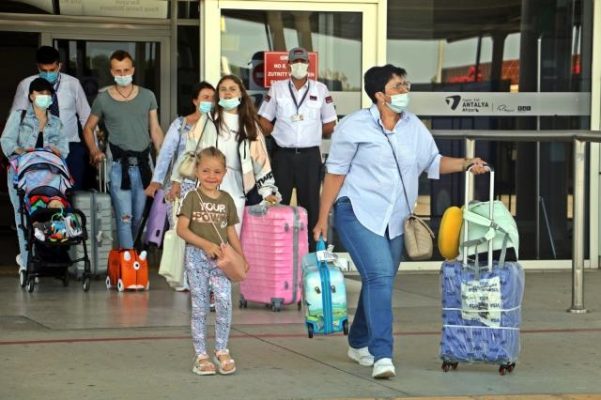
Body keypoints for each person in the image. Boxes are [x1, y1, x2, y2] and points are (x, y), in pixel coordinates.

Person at [312, 64, 487, 379]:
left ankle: (358, 341)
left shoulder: (413, 126)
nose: (405, 90)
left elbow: (433, 162)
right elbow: (335, 174)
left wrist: (466, 163)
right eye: (398, 86)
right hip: (357, 211)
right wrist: (323, 218)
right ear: (380, 95)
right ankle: (383, 355)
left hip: (396, 218)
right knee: (380, 276)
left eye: (407, 84)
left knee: (379, 280)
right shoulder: (353, 126)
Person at [171, 74, 279, 234]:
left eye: (232, 89)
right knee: (206, 238)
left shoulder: (250, 125)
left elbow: (261, 161)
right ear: (218, 95)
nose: (227, 92)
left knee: (232, 238)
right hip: (207, 186)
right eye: (223, 89)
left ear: (241, 94)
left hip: (237, 190)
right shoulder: (207, 120)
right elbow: (190, 150)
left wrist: (267, 191)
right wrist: (176, 181)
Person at [82, 49, 164, 249]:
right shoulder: (103, 99)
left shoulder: (147, 96)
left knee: (138, 216)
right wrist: (94, 151)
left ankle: (127, 255)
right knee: (124, 217)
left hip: (144, 165)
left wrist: (162, 158)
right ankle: (128, 260)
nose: (122, 74)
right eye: (118, 71)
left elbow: (155, 129)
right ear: (112, 72)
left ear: (133, 70)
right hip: (118, 167)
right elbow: (88, 128)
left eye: (126, 70)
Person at [258, 47, 337, 250]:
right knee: (277, 203)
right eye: (295, 61)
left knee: (311, 206)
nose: (299, 64)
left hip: (310, 156)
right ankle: (277, 249)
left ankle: (312, 251)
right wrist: (279, 133)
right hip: (283, 156)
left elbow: (330, 124)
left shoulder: (320, 89)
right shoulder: (277, 89)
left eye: (303, 61)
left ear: (308, 64)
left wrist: (311, 134)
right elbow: (263, 120)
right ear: (288, 65)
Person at [176, 146, 246, 376]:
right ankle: (201, 355)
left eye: (217, 171)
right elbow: (182, 229)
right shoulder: (192, 198)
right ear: (197, 171)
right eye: (205, 170)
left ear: (224, 173)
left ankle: (221, 349)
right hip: (196, 259)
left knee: (224, 302)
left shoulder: (226, 200)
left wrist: (241, 256)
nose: (211, 176)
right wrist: (205, 244)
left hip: (221, 259)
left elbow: (231, 232)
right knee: (200, 306)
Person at [147, 81, 216, 291]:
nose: (209, 101)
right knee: (180, 230)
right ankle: (180, 277)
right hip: (181, 185)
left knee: (202, 233)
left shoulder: (214, 124)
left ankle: (197, 277)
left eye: (212, 98)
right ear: (195, 100)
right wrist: (157, 181)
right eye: (205, 97)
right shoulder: (180, 124)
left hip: (205, 187)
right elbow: (166, 153)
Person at [1, 77, 69, 273]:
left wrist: (56, 151)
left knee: (49, 214)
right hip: (20, 175)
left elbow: (64, 150)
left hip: (47, 177)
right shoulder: (20, 116)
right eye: (40, 93)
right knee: (22, 217)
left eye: (47, 94)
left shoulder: (56, 122)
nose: (44, 97)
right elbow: (6, 141)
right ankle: (26, 260)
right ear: (31, 96)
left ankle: (47, 259)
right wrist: (22, 151)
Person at [10, 46, 91, 190]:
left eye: (52, 70)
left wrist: (93, 148)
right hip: (38, 148)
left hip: (71, 147)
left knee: (73, 191)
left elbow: (85, 117)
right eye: (44, 70)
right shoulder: (26, 85)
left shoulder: (73, 84)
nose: (48, 74)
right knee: (41, 191)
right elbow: (15, 119)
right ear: (38, 67)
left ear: (60, 65)